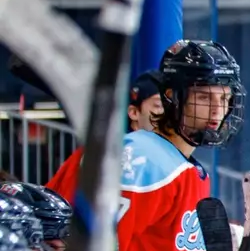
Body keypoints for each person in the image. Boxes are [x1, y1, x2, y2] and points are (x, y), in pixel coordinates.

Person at [113, 42, 243, 251]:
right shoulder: (142, 159)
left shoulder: (190, 171)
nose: (217, 110)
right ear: (172, 97)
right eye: (203, 97)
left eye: (224, 98)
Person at [43, 69, 164, 202]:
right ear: (134, 112)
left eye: (173, 106)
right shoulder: (94, 157)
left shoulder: (178, 165)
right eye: (158, 105)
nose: (168, 115)